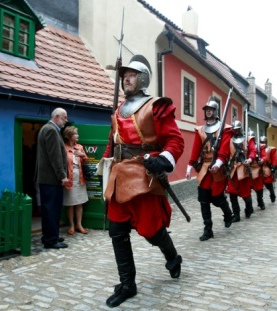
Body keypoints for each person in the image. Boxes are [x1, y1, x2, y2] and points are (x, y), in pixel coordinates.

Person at [101, 55, 184, 308]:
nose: (126, 79)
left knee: (150, 231)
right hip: (118, 177)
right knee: (117, 232)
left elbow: (175, 141)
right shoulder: (117, 109)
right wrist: (103, 162)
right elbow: (112, 141)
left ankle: (172, 257)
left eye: (131, 75)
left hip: (143, 177)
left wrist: (164, 159)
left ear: (143, 78)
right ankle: (128, 284)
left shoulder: (156, 106)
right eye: (124, 76)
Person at [186, 97, 233, 240]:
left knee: (217, 198)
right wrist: (189, 166)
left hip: (218, 169)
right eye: (206, 110)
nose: (208, 112)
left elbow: (224, 150)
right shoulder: (200, 130)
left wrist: (218, 163)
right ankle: (208, 229)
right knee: (203, 199)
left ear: (215, 111)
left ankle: (227, 212)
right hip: (205, 168)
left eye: (211, 109)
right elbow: (195, 150)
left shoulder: (224, 129)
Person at [35, 107, 69, 249]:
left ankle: (51, 235)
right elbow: (55, 157)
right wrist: (62, 176)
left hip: (49, 178)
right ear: (56, 117)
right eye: (64, 117)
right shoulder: (50, 130)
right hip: (51, 179)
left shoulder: (50, 129)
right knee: (51, 209)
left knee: (52, 209)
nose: (66, 121)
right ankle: (50, 239)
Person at [226, 121, 256, 221]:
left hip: (244, 168)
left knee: (246, 193)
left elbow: (253, 151)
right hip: (233, 169)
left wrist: (250, 159)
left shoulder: (248, 139)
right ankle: (236, 215)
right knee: (232, 192)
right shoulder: (229, 140)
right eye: (234, 129)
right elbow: (225, 153)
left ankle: (249, 208)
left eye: (237, 129)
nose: (236, 131)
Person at [62, 126, 89, 235]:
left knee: (79, 202)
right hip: (70, 178)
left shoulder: (80, 147)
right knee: (71, 203)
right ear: (69, 136)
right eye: (75, 134)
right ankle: (72, 225)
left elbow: (85, 159)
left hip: (80, 178)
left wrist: (83, 155)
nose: (77, 136)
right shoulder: (64, 148)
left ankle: (79, 225)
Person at [250, 130, 267, 211]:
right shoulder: (245, 145)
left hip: (257, 168)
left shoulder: (260, 146)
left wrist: (262, 160)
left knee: (259, 188)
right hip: (248, 168)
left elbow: (264, 156)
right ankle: (249, 206)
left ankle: (260, 201)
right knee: (246, 188)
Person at [260, 136, 277, 203]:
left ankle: (272, 194)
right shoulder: (258, 149)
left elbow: (274, 159)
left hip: (267, 168)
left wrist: (274, 167)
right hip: (259, 168)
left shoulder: (270, 149)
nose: (262, 143)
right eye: (261, 142)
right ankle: (260, 200)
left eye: (264, 142)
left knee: (269, 184)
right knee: (259, 186)